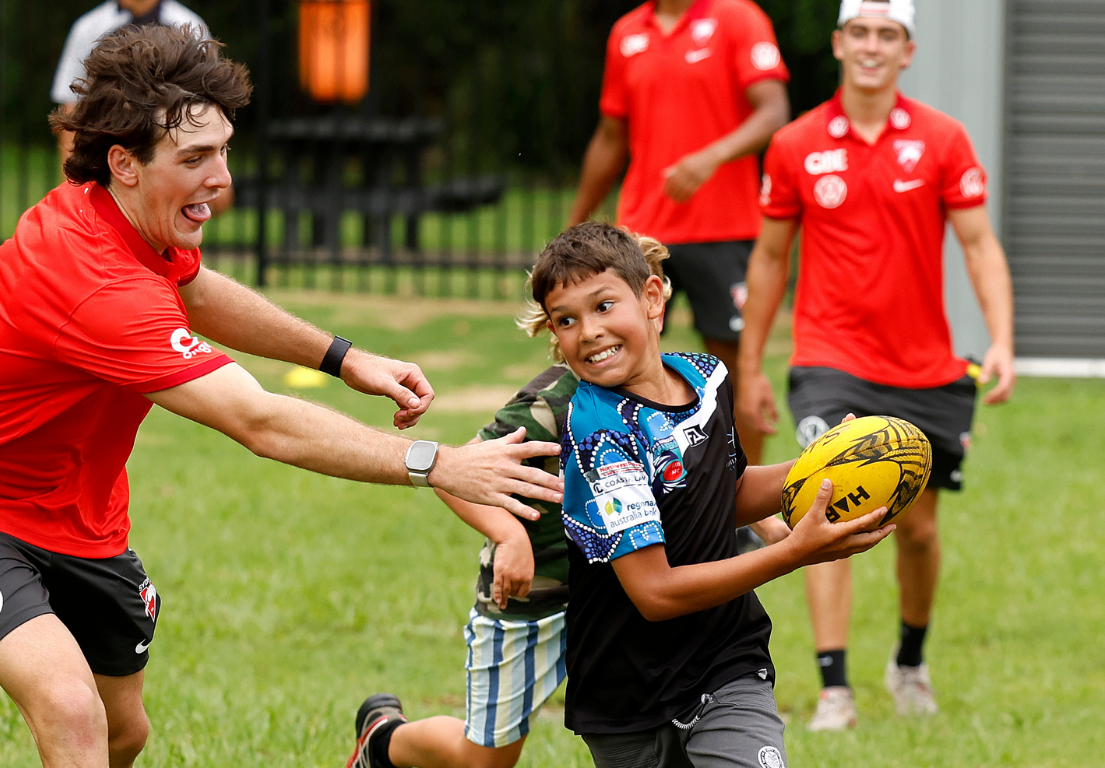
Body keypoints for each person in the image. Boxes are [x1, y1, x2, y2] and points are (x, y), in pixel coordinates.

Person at [0, 26, 563, 768]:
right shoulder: (90, 278)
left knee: (121, 732)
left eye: (225, 150)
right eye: (196, 158)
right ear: (124, 163)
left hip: (84, 517)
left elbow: (192, 289)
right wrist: (438, 463)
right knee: (69, 707)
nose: (222, 178)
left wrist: (342, 357)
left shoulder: (123, 217)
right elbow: (260, 421)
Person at [346, 238, 792, 768]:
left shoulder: (687, 386)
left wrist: (776, 504)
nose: (594, 329)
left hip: (627, 598)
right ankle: (384, 741)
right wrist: (510, 537)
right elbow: (453, 473)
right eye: (569, 318)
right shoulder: (555, 406)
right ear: (555, 330)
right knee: (483, 760)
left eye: (606, 305)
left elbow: (704, 477)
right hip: (542, 588)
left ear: (652, 298)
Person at [735, 0, 1017, 731]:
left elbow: (981, 246)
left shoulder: (942, 138)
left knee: (917, 531)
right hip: (831, 361)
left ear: (907, 51)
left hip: (925, 369)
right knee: (830, 506)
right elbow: (769, 259)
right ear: (837, 43)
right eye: (859, 32)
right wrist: (753, 364)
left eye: (887, 35)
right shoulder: (795, 143)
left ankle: (910, 664)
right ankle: (834, 688)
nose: (871, 46)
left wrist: (1003, 340)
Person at [567, 0, 791, 467]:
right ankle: (642, 489)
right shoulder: (627, 31)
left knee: (735, 374)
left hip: (724, 229)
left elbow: (774, 111)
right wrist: (575, 225)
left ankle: (746, 517)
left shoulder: (738, 18)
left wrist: (711, 156)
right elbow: (611, 136)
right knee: (624, 366)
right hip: (641, 236)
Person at [51, 0, 208, 169]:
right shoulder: (88, 28)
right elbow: (72, 105)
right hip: (105, 153)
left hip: (173, 150)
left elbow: (206, 99)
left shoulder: (190, 25)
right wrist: (72, 178)